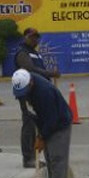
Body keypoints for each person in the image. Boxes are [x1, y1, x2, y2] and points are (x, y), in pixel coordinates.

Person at [12, 69, 72, 178]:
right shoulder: (23, 88)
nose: (23, 97)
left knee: (57, 158)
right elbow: (33, 112)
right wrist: (39, 135)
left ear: (31, 84)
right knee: (50, 158)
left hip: (60, 123)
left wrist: (42, 137)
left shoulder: (44, 92)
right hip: (45, 122)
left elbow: (52, 119)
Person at [13, 27, 60, 168]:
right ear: (25, 37)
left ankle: (37, 156)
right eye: (32, 37)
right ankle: (28, 159)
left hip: (38, 93)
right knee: (29, 124)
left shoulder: (35, 53)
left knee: (39, 124)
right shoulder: (22, 52)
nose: (35, 39)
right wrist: (50, 73)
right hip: (27, 93)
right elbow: (30, 69)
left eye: (37, 37)